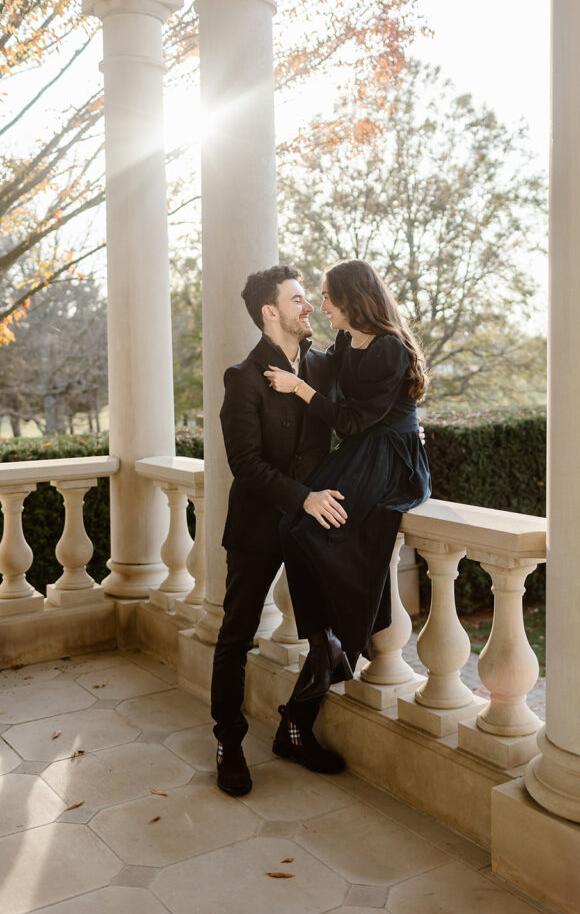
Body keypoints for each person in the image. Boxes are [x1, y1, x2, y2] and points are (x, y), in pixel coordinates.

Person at [264, 259, 431, 702]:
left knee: (322, 529)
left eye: (326, 297)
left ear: (350, 299)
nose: (321, 305)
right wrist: (292, 341)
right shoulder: (346, 337)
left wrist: (298, 388)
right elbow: (327, 371)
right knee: (292, 524)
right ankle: (325, 645)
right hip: (362, 451)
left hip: (391, 458)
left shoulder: (390, 348)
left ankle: (343, 641)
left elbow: (352, 420)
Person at [213, 264, 349, 798]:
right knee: (235, 637)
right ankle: (228, 742)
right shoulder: (242, 378)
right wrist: (303, 498)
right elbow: (244, 464)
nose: (308, 307)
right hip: (257, 528)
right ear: (271, 312)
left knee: (328, 637)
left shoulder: (322, 368)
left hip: (311, 527)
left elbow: (350, 418)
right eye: (297, 300)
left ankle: (295, 725)